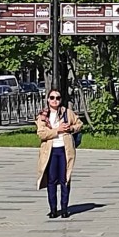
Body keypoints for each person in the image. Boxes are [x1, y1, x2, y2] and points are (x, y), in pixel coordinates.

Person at [36, 90, 83, 219]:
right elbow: (41, 133)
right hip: (50, 152)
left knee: (65, 180)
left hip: (64, 150)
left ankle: (64, 209)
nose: (54, 100)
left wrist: (71, 128)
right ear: (48, 100)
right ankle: (53, 209)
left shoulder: (67, 113)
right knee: (51, 181)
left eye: (57, 97)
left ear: (61, 99)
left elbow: (79, 123)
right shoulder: (43, 116)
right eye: (52, 97)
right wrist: (57, 130)